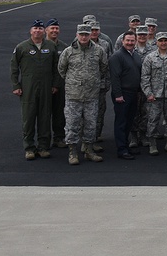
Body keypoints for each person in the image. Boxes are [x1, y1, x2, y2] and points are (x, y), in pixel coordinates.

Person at [58, 24, 109, 164]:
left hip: (91, 95)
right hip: (73, 95)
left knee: (91, 124)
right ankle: (72, 152)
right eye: (81, 34)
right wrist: (73, 82)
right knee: (72, 124)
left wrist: (92, 81)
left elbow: (103, 68)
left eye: (86, 34)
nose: (84, 37)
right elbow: (61, 69)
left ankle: (89, 150)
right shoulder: (69, 51)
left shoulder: (99, 51)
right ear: (77, 34)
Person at [10, 19, 59, 160]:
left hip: (46, 87)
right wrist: (16, 85)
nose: (37, 31)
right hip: (28, 88)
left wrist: (55, 84)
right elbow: (14, 68)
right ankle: (29, 148)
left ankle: (43, 147)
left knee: (45, 118)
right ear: (31, 31)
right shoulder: (22, 47)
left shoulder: (50, 46)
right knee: (28, 118)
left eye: (40, 29)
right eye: (35, 29)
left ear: (44, 31)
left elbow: (57, 67)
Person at [141, 31, 167, 155]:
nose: (163, 43)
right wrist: (148, 93)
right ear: (156, 42)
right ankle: (152, 144)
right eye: (160, 41)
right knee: (153, 120)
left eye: (165, 40)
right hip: (155, 96)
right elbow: (145, 77)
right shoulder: (150, 58)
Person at [109, 30, 143, 160]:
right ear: (122, 41)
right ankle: (121, 149)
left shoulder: (135, 55)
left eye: (132, 40)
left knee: (129, 121)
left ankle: (126, 146)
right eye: (127, 40)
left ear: (135, 41)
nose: (130, 43)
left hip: (133, 93)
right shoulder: (117, 56)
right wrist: (118, 94)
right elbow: (115, 77)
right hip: (122, 94)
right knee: (121, 122)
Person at [45, 19, 69, 149]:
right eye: (52, 28)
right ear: (46, 30)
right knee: (44, 113)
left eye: (56, 28)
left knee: (60, 113)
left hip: (60, 86)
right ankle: (44, 140)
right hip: (44, 86)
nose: (54, 31)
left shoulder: (64, 47)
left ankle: (59, 137)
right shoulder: (40, 46)